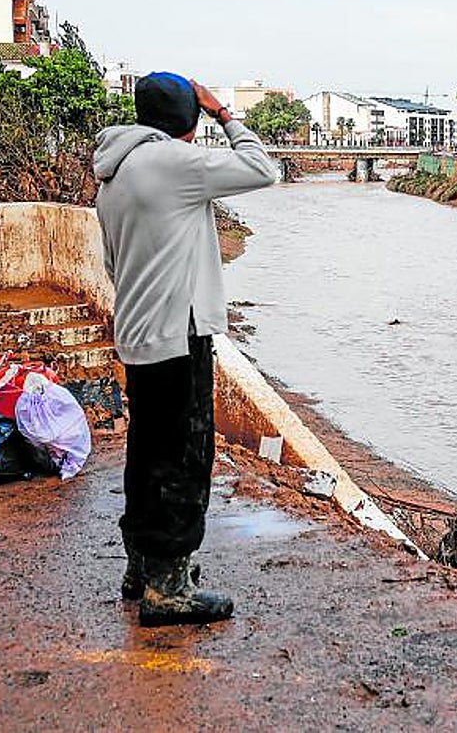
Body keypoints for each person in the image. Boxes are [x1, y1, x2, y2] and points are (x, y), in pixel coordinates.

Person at [93, 73, 277, 626]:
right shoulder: (172, 163)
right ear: (186, 119)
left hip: (138, 332)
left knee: (146, 451)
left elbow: (110, 263)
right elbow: (263, 168)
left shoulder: (115, 172)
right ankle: (168, 589)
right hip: (179, 333)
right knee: (184, 458)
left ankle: (141, 567)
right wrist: (224, 112)